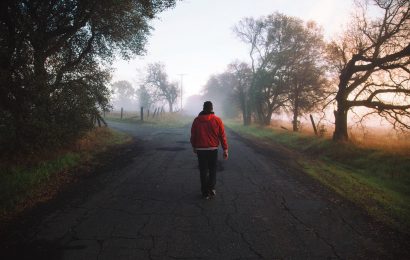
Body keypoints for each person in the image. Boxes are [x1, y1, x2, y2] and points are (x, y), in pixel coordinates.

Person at [190, 101, 228, 199]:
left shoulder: (196, 120)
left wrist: (194, 146)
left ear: (203, 108)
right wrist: (225, 149)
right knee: (212, 169)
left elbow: (193, 135)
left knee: (203, 170)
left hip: (200, 149)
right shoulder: (217, 120)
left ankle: (205, 192)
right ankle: (211, 189)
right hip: (213, 149)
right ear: (212, 108)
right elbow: (222, 135)